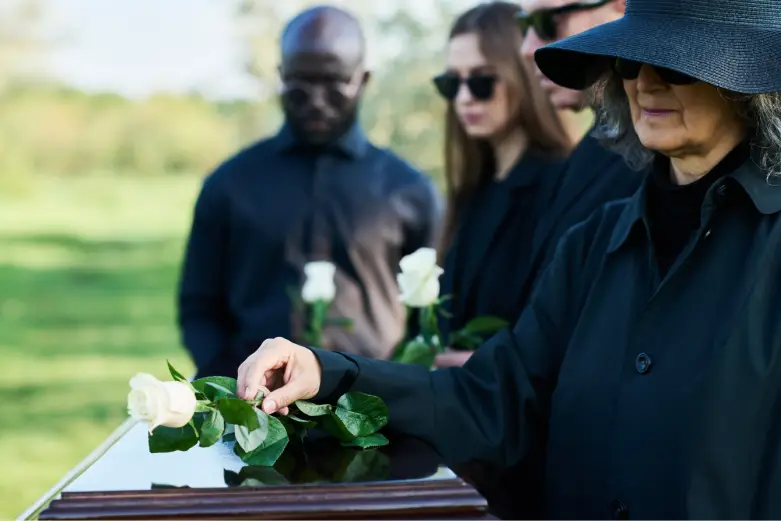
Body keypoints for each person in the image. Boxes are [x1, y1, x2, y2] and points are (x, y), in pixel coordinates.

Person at [237, 0, 781, 518]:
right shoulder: (593, 243)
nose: (645, 81)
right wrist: (327, 373)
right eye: (630, 60)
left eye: (676, 65)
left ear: (751, 86)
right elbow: (489, 403)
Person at [177, 5, 441, 378]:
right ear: (281, 77)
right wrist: (230, 380)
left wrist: (402, 385)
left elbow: (430, 315)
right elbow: (199, 306)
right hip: (254, 409)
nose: (317, 100)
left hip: (374, 408)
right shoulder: (229, 185)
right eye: (301, 84)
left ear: (363, 80)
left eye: (334, 84)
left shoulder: (410, 190)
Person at [431, 2, 578, 367]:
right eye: (452, 83)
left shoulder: (563, 183)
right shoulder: (471, 192)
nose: (464, 98)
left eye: (481, 81)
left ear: (521, 75)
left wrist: (487, 363)